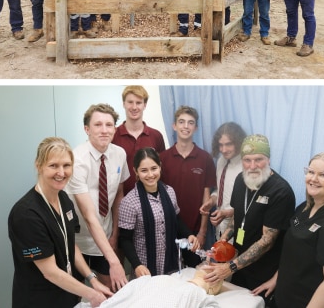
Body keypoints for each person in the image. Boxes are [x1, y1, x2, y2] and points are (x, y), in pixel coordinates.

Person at [8, 137, 113, 307]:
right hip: (39, 300)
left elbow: (70, 245)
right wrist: (92, 295)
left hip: (66, 295)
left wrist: (92, 279)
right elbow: (50, 272)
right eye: (53, 166)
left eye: (66, 165)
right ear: (39, 165)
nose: (61, 173)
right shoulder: (26, 214)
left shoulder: (64, 199)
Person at [253, 152, 324, 308]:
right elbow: (293, 255)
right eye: (310, 172)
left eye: (323, 175)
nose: (313, 179)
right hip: (286, 298)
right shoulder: (304, 208)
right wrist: (276, 279)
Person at [201, 134, 295, 307]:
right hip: (240, 267)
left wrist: (230, 267)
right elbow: (237, 219)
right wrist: (221, 244)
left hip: (265, 272)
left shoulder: (280, 191)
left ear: (268, 159)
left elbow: (267, 241)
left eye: (258, 159)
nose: (252, 166)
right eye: (247, 160)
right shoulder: (240, 180)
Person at [65, 104, 129, 292]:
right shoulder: (76, 160)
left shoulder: (119, 154)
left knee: (111, 290)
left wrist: (115, 235)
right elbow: (88, 215)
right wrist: (114, 260)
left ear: (115, 129)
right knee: (76, 294)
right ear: (87, 129)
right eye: (98, 125)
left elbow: (119, 194)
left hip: (106, 237)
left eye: (109, 125)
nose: (104, 130)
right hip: (77, 242)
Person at [118, 148, 200, 277]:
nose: (150, 175)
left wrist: (189, 234)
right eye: (144, 170)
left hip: (171, 264)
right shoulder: (129, 202)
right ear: (136, 171)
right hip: (145, 268)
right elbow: (125, 239)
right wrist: (137, 265)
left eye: (154, 168)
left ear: (160, 167)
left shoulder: (170, 192)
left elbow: (176, 220)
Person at [159, 106, 216, 262]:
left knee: (194, 274)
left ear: (195, 128)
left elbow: (207, 198)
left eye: (190, 123)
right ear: (174, 126)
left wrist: (202, 232)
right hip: (168, 228)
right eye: (181, 122)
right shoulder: (163, 158)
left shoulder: (205, 159)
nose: (186, 126)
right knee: (170, 275)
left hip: (195, 230)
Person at [111, 86, 167, 195]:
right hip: (119, 197)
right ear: (124, 104)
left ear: (144, 105)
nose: (134, 107)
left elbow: (160, 169)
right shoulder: (113, 135)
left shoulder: (156, 136)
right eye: (130, 102)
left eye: (138, 102)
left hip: (151, 197)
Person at [199, 122, 247, 243]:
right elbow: (220, 190)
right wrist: (211, 201)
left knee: (237, 255)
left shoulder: (247, 165)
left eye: (228, 144)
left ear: (238, 142)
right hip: (220, 228)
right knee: (220, 259)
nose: (223, 150)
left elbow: (251, 205)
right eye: (220, 145)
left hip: (240, 229)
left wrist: (227, 213)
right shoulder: (221, 161)